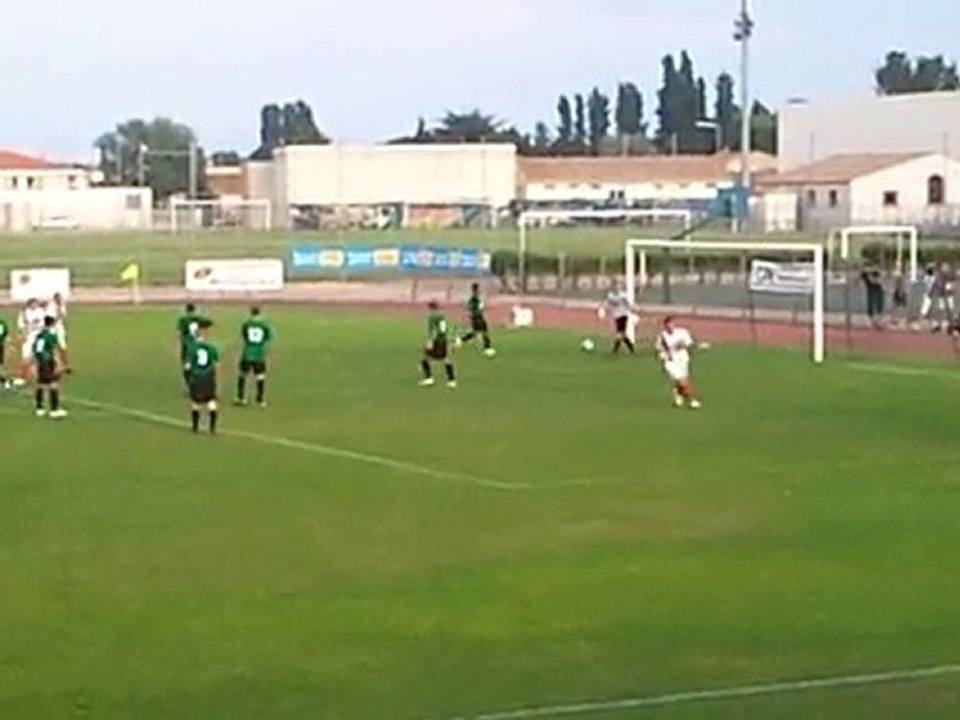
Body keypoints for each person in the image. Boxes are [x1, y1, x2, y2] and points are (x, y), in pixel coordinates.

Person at [657, 316, 701, 410]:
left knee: (683, 380)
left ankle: (677, 393)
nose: (670, 326)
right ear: (665, 326)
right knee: (683, 381)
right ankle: (692, 401)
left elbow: (690, 344)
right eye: (667, 325)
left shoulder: (682, 332)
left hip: (683, 360)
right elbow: (659, 350)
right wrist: (663, 357)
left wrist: (684, 346)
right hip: (671, 363)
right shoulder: (662, 336)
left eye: (671, 324)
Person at [186, 319, 220, 434]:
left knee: (196, 402)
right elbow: (216, 363)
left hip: (197, 376)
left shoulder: (192, 348)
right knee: (211, 401)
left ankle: (195, 427)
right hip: (208, 376)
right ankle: (212, 428)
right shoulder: (211, 347)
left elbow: (188, 366)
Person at [33, 315, 70, 419]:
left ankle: (39, 408)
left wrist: (37, 361)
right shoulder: (51, 336)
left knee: (41, 384)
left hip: (41, 361)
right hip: (48, 361)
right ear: (52, 324)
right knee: (53, 384)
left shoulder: (40, 335)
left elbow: (37, 349)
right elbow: (54, 350)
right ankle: (54, 410)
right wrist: (59, 364)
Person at [236, 306, 273, 407]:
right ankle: (260, 400)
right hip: (259, 354)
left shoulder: (247, 324)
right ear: (259, 313)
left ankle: (241, 398)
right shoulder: (264, 325)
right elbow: (267, 338)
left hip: (247, 352)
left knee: (243, 374)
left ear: (251, 313)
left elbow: (244, 336)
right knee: (260, 376)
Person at [420, 301, 456, 389]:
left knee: (425, 358)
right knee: (445, 359)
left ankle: (429, 378)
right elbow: (444, 329)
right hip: (443, 340)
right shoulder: (442, 316)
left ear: (430, 308)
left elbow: (433, 330)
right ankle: (452, 380)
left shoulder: (432, 317)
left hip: (436, 340)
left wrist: (430, 341)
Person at [458, 283, 496, 357]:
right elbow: (471, 307)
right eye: (478, 289)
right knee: (483, 331)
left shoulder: (476, 297)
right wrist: (475, 312)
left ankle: (460, 340)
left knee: (476, 332)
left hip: (478, 316)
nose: (479, 290)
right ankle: (487, 348)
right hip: (477, 317)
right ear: (475, 289)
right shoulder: (474, 298)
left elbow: (473, 307)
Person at [177, 303, 208, 387]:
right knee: (198, 364)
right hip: (197, 344)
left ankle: (190, 384)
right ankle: (200, 383)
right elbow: (208, 322)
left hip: (187, 345)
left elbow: (180, 331)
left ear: (186, 310)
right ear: (194, 310)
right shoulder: (198, 318)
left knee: (187, 365)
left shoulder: (183, 319)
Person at [16, 298, 46, 384]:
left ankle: (39, 375)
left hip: (39, 337)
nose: (35, 305)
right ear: (29, 304)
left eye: (36, 303)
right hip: (29, 337)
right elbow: (21, 326)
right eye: (33, 303)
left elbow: (44, 323)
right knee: (25, 357)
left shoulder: (41, 311)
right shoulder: (24, 313)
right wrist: (23, 334)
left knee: (39, 356)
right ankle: (22, 377)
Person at [605, 283, 636, 354]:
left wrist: (632, 309)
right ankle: (630, 347)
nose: (616, 288)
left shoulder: (622, 295)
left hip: (623, 315)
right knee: (622, 334)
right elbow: (608, 304)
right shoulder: (611, 296)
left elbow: (628, 304)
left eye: (618, 287)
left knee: (619, 334)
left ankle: (615, 350)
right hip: (617, 316)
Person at [861, 265, 886, 329]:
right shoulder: (865, 275)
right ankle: (874, 321)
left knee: (878, 306)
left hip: (877, 290)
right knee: (871, 306)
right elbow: (862, 281)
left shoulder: (875, 273)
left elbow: (879, 281)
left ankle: (877, 321)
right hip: (871, 291)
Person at [0, 315, 10, 389]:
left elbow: (5, 335)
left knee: (1, 364)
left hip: (0, 346)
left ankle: (3, 380)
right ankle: (3, 380)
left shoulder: (2, 323)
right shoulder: (2, 323)